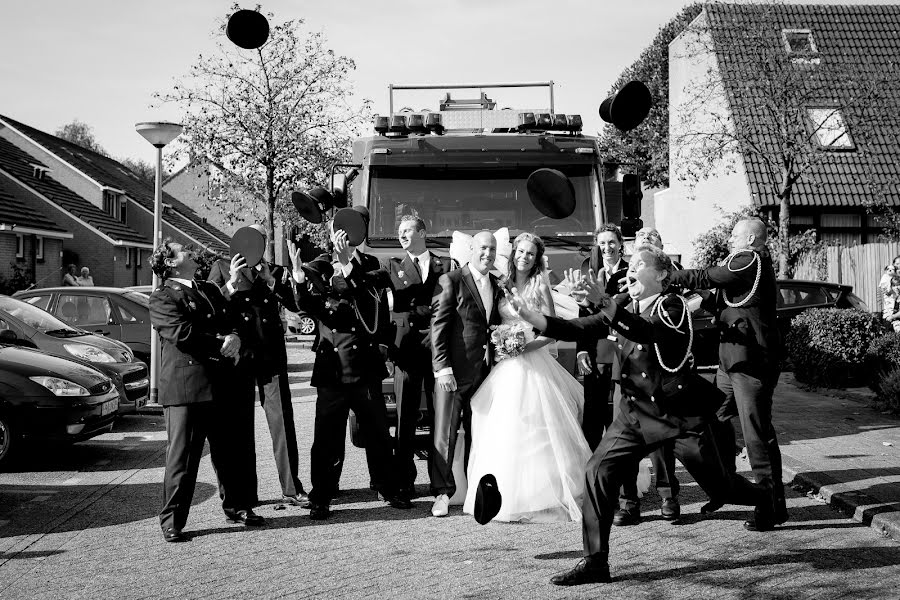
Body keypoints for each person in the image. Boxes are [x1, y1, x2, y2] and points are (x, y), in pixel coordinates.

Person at [510, 244, 777, 586]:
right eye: (630, 264)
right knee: (597, 472)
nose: (631, 269)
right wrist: (533, 318)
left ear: (663, 275)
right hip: (636, 413)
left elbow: (645, 330)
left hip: (680, 416)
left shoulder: (673, 306)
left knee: (722, 487)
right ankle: (595, 561)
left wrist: (607, 305)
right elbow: (581, 328)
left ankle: (763, 496)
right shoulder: (623, 303)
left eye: (640, 264)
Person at [462, 233, 590, 522]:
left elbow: (554, 329)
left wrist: (525, 347)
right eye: (520, 251)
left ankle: (543, 494)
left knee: (539, 427)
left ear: (537, 258)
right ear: (513, 252)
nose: (524, 257)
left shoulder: (540, 285)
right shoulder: (501, 283)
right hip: (506, 365)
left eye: (530, 253)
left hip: (533, 361)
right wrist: (501, 342)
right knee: (505, 426)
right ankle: (505, 494)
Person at [668, 217, 787, 531]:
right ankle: (727, 487)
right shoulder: (742, 267)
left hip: (750, 363)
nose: (730, 238)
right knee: (715, 419)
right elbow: (723, 305)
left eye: (735, 234)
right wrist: (694, 293)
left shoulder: (749, 260)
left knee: (756, 434)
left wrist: (671, 275)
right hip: (729, 361)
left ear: (750, 239)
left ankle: (769, 506)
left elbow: (713, 275)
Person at [292, 226, 412, 520]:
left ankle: (387, 486)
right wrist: (298, 278)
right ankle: (321, 495)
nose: (340, 240)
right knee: (326, 437)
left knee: (378, 433)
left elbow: (369, 296)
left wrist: (347, 263)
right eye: (336, 236)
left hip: (364, 363)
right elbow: (307, 304)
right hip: (332, 367)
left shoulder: (371, 265)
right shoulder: (320, 264)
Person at [148, 241, 263, 543]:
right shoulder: (162, 297)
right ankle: (172, 521)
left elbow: (227, 315)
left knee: (229, 453)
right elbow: (181, 333)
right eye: (181, 251)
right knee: (183, 458)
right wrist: (220, 342)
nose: (190, 253)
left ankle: (238, 506)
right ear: (171, 264)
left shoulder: (208, 289)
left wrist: (236, 335)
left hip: (219, 384)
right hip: (186, 389)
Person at [207, 224, 309, 508]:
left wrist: (272, 281)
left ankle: (292, 488)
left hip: (270, 357)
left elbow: (295, 304)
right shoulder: (221, 266)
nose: (255, 244)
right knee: (240, 429)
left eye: (260, 239)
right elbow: (211, 311)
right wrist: (231, 280)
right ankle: (245, 495)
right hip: (238, 361)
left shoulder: (272, 270)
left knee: (282, 425)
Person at [429, 231, 503, 518]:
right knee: (445, 433)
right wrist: (442, 368)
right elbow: (438, 326)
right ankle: (441, 495)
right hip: (453, 372)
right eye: (483, 248)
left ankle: (476, 490)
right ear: (472, 249)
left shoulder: (496, 284)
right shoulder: (452, 280)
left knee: (479, 432)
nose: (488, 254)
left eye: (492, 249)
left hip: (484, 372)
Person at [615, 226, 682, 525]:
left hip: (655, 383)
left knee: (659, 444)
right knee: (625, 448)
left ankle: (669, 496)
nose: (633, 269)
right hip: (627, 385)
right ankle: (628, 504)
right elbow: (606, 335)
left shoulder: (669, 299)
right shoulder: (622, 301)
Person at [384, 215, 453, 497]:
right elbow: (389, 303)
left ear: (422, 232)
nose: (401, 235)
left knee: (441, 419)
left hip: (439, 350)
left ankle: (440, 482)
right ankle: (403, 481)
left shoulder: (446, 264)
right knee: (405, 419)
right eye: (399, 231)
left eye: (407, 230)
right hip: (408, 349)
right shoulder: (392, 265)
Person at [575, 224, 628, 450]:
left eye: (612, 242)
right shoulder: (587, 269)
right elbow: (583, 315)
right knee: (593, 411)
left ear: (620, 245)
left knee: (621, 412)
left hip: (624, 348)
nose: (607, 247)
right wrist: (582, 349)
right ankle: (593, 466)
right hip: (596, 349)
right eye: (602, 243)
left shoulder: (631, 270)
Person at [879, 256, 900, 332]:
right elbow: (884, 290)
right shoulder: (887, 278)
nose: (899, 266)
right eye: (897, 264)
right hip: (888, 314)